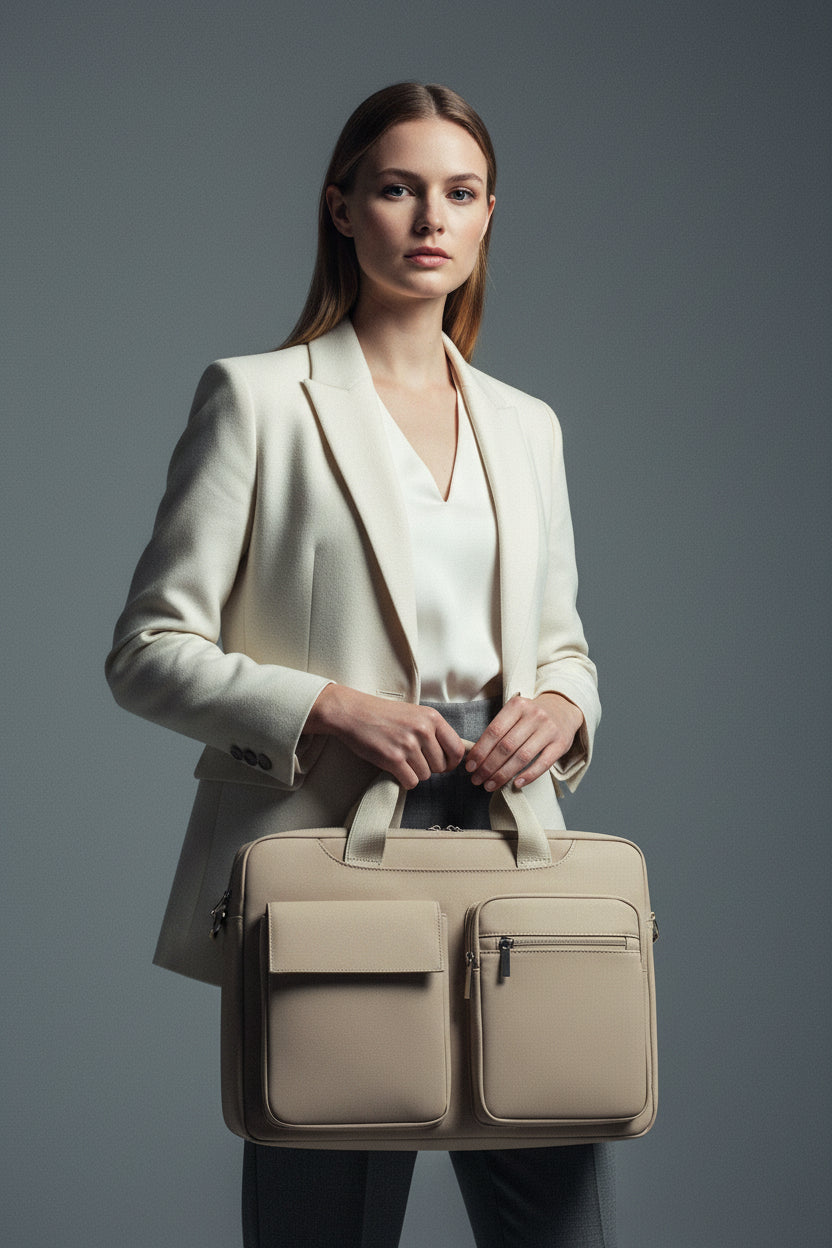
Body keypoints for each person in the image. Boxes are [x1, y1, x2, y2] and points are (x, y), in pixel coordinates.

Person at [106, 82, 611, 1248]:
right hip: (327, 855)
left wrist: (561, 708)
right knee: (320, 1221)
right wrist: (328, 706)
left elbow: (563, 643)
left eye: (460, 193)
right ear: (342, 206)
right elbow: (145, 651)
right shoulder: (258, 400)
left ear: (489, 217)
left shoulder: (525, 425)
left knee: (559, 1220)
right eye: (397, 188)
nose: (429, 218)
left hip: (509, 843)